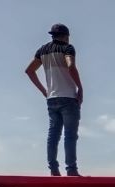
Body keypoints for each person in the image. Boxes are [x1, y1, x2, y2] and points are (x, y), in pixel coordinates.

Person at [25, 23, 84, 176]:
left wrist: (44, 90)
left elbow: (29, 71)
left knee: (53, 135)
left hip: (51, 98)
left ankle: (53, 170)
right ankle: (71, 170)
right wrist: (80, 88)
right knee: (70, 135)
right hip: (69, 97)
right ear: (66, 36)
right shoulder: (67, 48)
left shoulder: (42, 50)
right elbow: (71, 66)